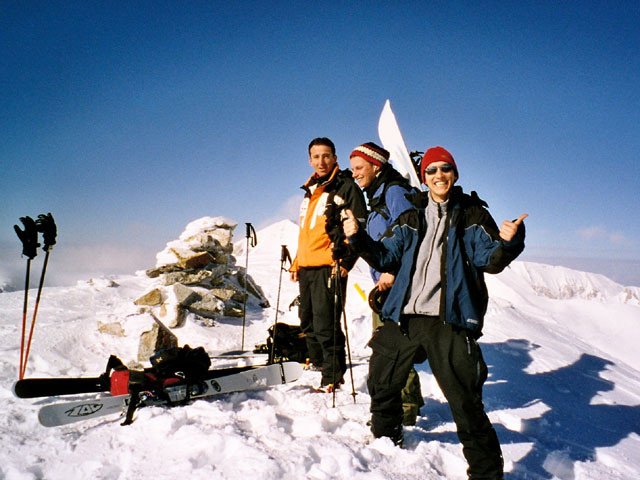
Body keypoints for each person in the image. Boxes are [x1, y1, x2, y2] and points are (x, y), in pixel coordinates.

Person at [342, 146, 527, 479]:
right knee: (382, 382)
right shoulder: (412, 215)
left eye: (445, 169)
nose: (439, 175)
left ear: (454, 174)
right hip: (406, 316)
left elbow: (490, 259)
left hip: (449, 320)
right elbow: (385, 256)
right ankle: (386, 441)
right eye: (431, 170)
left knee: (465, 403)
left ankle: (486, 473)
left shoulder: (472, 215)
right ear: (424, 177)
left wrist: (510, 243)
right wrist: (357, 237)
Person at [349, 142, 424, 426]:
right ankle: (406, 402)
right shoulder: (378, 196)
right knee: (390, 348)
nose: (355, 174)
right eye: (353, 169)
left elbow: (411, 233)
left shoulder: (394, 192)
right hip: (386, 285)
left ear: (376, 165)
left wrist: (393, 270)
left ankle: (403, 409)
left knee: (392, 350)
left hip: (397, 285)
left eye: (359, 167)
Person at [290, 137, 367, 391]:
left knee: (326, 323)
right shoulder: (310, 190)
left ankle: (333, 375)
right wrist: (297, 261)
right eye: (316, 157)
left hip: (330, 265)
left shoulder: (345, 187)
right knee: (307, 321)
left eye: (326, 156)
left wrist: (346, 261)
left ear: (335, 158)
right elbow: (307, 231)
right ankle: (319, 364)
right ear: (309, 160)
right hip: (307, 267)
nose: (321, 161)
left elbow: (358, 226)